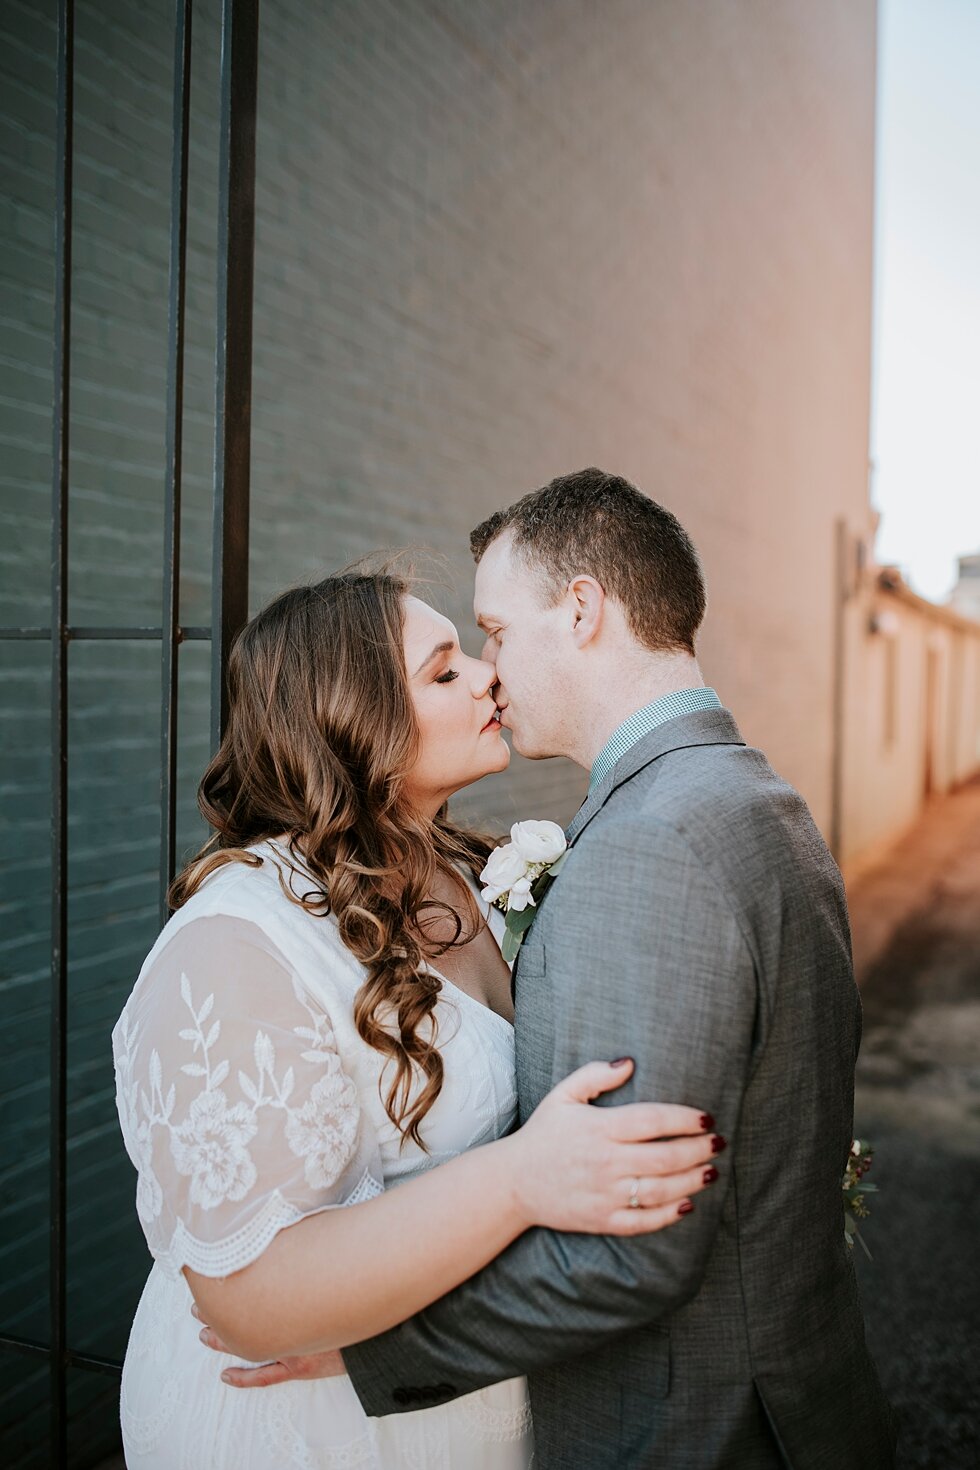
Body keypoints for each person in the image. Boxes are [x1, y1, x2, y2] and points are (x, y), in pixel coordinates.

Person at [207, 470, 896, 1468]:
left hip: (689, 1428)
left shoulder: (649, 842)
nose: (489, 668)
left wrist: (373, 1353)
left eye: (494, 630)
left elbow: (626, 1254)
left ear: (580, 611)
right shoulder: (751, 797)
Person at [111, 566, 720, 1469]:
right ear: (348, 719)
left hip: (453, 1396)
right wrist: (523, 1179)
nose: (488, 676)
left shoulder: (466, 875)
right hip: (299, 1434)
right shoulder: (238, 941)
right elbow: (245, 1296)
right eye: (444, 672)